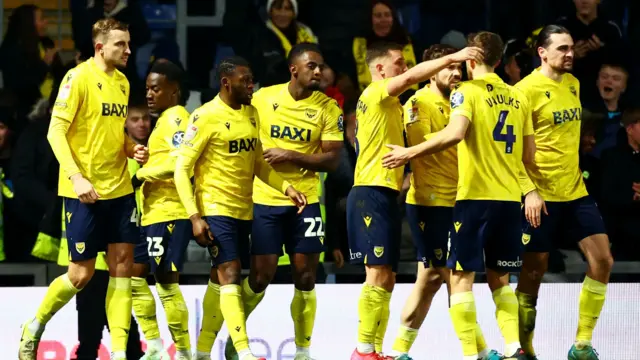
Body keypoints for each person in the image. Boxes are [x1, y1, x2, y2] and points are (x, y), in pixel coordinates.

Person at [383, 31, 535, 360]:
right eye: (446, 65)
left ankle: (470, 353)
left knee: (455, 277)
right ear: (499, 60)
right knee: (477, 278)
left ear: (469, 60)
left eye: (456, 64)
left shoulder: (465, 93)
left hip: (470, 198)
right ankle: (510, 347)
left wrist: (407, 154)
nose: (453, 72)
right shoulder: (519, 97)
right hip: (487, 200)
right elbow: (529, 156)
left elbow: (454, 135)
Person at [18, 18, 149, 360]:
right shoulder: (76, 78)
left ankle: (119, 352)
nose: (128, 50)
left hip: (119, 189)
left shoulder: (122, 83)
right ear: (100, 46)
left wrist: (129, 148)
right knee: (81, 274)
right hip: (84, 190)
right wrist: (76, 177)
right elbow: (55, 133)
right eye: (121, 44)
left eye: (129, 43)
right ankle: (34, 326)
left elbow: (108, 132)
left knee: (123, 268)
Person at [344, 40, 482, 360]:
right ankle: (363, 349)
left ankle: (376, 350)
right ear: (379, 69)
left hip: (386, 192)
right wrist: (455, 57)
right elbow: (410, 80)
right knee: (378, 274)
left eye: (406, 64)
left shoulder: (391, 106)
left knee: (389, 278)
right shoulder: (375, 93)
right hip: (370, 191)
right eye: (398, 64)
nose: (405, 70)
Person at [176, 56, 307, 360]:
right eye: (245, 81)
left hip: (244, 210)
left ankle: (203, 352)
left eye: (252, 80)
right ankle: (244, 351)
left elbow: (258, 161)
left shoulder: (251, 114)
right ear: (226, 82)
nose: (252, 86)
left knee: (218, 281)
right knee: (230, 273)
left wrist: (286, 188)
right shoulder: (205, 116)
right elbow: (182, 169)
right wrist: (195, 216)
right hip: (214, 207)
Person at [221, 43, 343, 360]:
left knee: (305, 276)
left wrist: (291, 154)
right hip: (265, 199)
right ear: (294, 69)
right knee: (261, 276)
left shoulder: (329, 109)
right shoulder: (262, 99)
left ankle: (303, 351)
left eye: (321, 66)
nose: (319, 71)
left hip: (307, 201)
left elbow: (332, 160)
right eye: (312, 66)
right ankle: (237, 338)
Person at [515, 25, 613, 360]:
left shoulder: (573, 84)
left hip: (575, 191)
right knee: (533, 274)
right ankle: (524, 348)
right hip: (539, 196)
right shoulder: (524, 91)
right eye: (561, 49)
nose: (569, 54)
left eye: (571, 48)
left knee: (603, 260)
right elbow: (511, 151)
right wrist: (528, 191)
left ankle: (582, 344)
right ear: (542, 52)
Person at [128, 61, 193, 360]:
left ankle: (182, 351)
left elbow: (181, 162)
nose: (150, 94)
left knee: (166, 281)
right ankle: (154, 345)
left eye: (156, 88)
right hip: (153, 213)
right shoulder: (164, 120)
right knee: (133, 277)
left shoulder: (177, 118)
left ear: (174, 91)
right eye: (147, 88)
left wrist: (142, 174)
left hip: (170, 212)